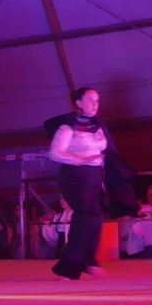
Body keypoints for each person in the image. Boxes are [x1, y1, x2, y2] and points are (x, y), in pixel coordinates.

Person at [46, 87, 112, 280]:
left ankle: (83, 261)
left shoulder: (97, 126)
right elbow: (55, 153)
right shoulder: (68, 127)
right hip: (75, 176)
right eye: (90, 100)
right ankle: (73, 266)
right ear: (79, 103)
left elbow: (103, 151)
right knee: (86, 215)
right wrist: (81, 159)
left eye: (97, 100)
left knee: (96, 215)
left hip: (94, 175)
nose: (95, 104)